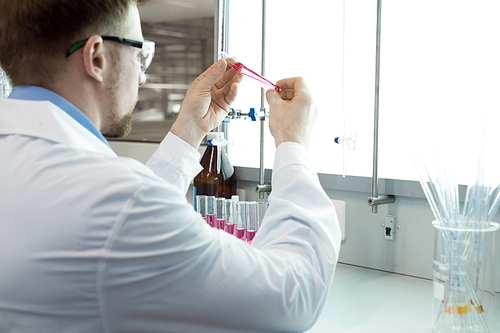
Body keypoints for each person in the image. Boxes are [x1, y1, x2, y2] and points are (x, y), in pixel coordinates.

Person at [0, 0, 341, 332]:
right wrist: (293, 144)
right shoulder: (114, 200)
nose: (142, 78)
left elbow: (124, 230)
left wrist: (190, 129)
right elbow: (290, 298)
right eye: (141, 54)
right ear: (97, 58)